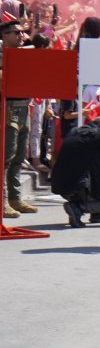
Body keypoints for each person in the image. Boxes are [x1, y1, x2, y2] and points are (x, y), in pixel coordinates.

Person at [52, 117, 100, 227]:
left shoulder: (75, 133)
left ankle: (98, 214)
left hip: (61, 185)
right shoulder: (97, 134)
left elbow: (98, 154)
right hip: (78, 187)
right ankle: (79, 208)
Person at [1, 15, 36, 218]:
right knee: (6, 156)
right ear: (4, 36)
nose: (22, 35)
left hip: (24, 106)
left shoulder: (25, 53)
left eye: (22, 32)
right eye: (17, 33)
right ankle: (2, 200)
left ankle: (14, 198)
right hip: (9, 107)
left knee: (19, 156)